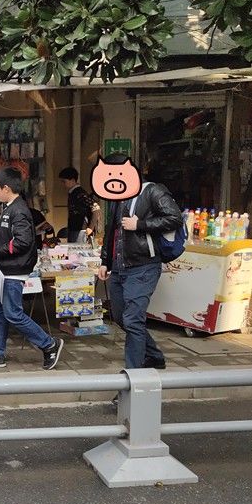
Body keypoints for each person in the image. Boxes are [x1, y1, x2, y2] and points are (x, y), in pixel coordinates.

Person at [0, 167, 65, 370]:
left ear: (6, 188)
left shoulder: (19, 210)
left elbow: (22, 241)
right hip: (4, 270)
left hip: (12, 271)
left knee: (13, 313)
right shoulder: (9, 207)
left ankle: (49, 344)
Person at [97, 154, 183, 370]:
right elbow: (112, 230)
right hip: (118, 267)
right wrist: (105, 261)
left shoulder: (153, 191)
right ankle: (154, 355)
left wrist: (141, 224)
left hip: (143, 266)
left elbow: (175, 218)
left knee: (133, 320)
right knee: (119, 317)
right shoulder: (118, 196)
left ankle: (133, 377)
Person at [58, 166, 101, 243]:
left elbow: (96, 208)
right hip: (74, 228)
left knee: (78, 252)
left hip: (81, 229)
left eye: (64, 181)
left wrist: (90, 227)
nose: (63, 184)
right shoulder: (72, 193)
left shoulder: (79, 193)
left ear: (72, 180)